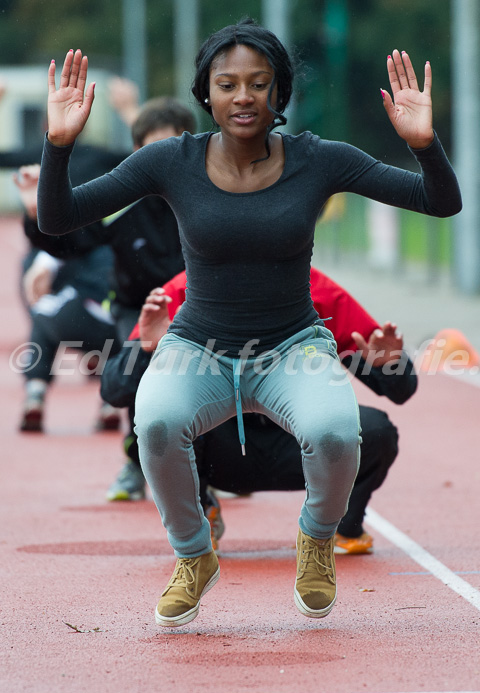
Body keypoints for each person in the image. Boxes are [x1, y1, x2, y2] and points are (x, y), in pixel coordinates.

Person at [37, 20, 461, 628]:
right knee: (154, 422)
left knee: (339, 433)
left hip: (293, 345)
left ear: (278, 94)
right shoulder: (170, 161)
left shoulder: (318, 160)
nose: (243, 96)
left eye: (259, 84)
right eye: (227, 83)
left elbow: (439, 201)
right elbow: (59, 217)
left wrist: (424, 144)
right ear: (205, 93)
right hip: (197, 347)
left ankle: (316, 538)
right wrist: (58, 143)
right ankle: (193, 556)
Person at [100, 268, 416, 556]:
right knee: (165, 414)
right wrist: (147, 351)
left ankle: (339, 525)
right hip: (216, 452)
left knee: (377, 432)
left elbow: (401, 390)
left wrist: (390, 365)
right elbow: (114, 392)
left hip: (297, 450)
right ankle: (198, 517)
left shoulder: (318, 292)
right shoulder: (181, 292)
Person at [31, 95, 194, 496]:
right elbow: (65, 241)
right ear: (137, 152)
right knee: (139, 381)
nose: (162, 158)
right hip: (134, 309)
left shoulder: (206, 201)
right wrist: (32, 215)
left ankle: (218, 465)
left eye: (172, 146)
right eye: (151, 148)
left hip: (198, 310)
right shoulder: (120, 205)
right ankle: (137, 467)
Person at [13, 164, 122, 432]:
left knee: (41, 315)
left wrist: (34, 210)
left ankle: (35, 394)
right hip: (128, 322)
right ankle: (110, 400)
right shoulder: (125, 220)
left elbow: (35, 292)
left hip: (88, 313)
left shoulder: (71, 237)